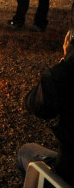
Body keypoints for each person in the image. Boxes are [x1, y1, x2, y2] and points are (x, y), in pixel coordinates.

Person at [17, 27, 74, 185]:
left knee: (26, 152)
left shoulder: (65, 74)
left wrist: (65, 59)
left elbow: (36, 105)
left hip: (69, 173)